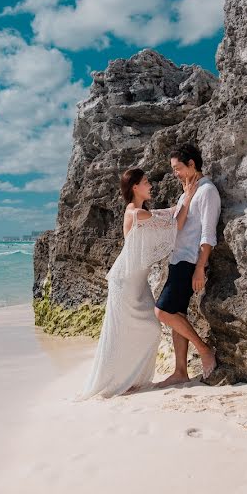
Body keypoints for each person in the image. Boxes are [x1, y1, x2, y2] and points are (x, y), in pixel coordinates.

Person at [78, 168, 198, 399]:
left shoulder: (142, 212)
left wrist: (185, 197)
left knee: (150, 329)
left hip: (137, 282)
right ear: (135, 187)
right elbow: (175, 222)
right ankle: (121, 382)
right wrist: (188, 197)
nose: (150, 185)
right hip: (125, 281)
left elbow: (172, 215)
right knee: (126, 333)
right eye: (145, 182)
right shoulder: (136, 214)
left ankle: (129, 380)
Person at [154, 143, 220, 386]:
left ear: (192, 164)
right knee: (177, 315)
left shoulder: (207, 191)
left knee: (162, 311)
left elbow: (208, 234)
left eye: (178, 168)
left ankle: (204, 350)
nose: (176, 174)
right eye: (173, 170)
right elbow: (176, 223)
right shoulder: (188, 191)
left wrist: (200, 267)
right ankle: (180, 371)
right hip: (176, 259)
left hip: (189, 261)